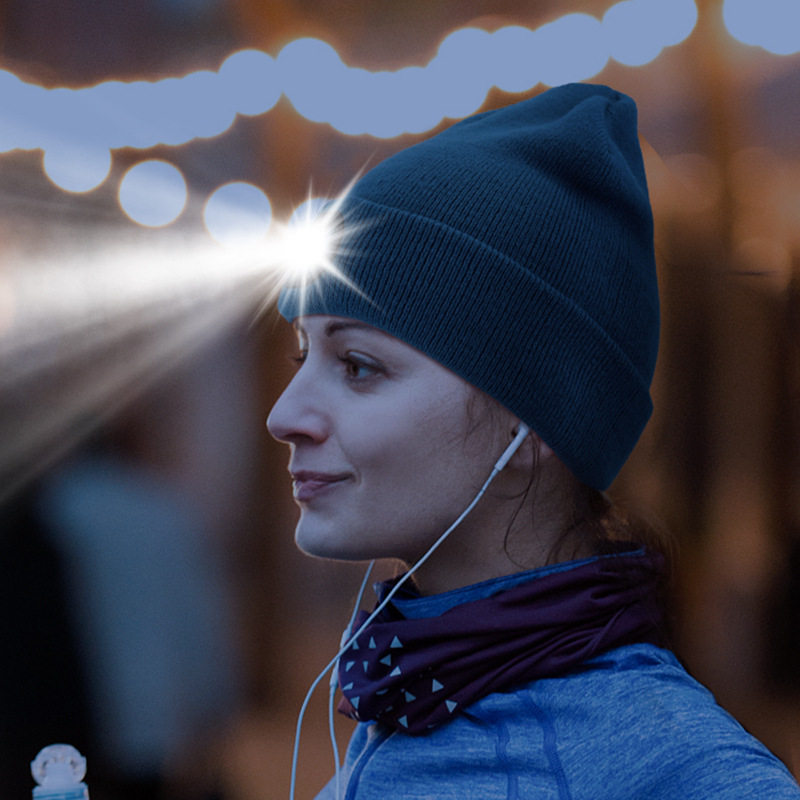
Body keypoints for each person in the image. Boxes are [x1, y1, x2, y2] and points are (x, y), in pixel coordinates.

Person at [267, 83, 800, 798]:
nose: (284, 414)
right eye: (303, 356)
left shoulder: (682, 774)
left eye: (359, 365)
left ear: (530, 419)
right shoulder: (413, 702)